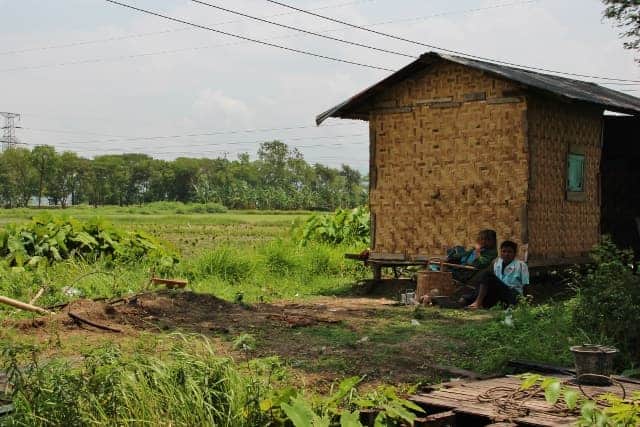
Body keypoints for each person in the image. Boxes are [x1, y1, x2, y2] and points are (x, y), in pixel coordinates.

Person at [466, 240, 529, 309]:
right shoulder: (497, 264)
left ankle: (477, 302)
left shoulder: (521, 265)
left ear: (514, 254)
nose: (506, 254)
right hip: (500, 294)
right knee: (483, 285)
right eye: (504, 251)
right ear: (500, 252)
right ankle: (467, 300)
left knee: (487, 274)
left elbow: (526, 285)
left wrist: (524, 302)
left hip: (513, 295)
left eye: (509, 252)